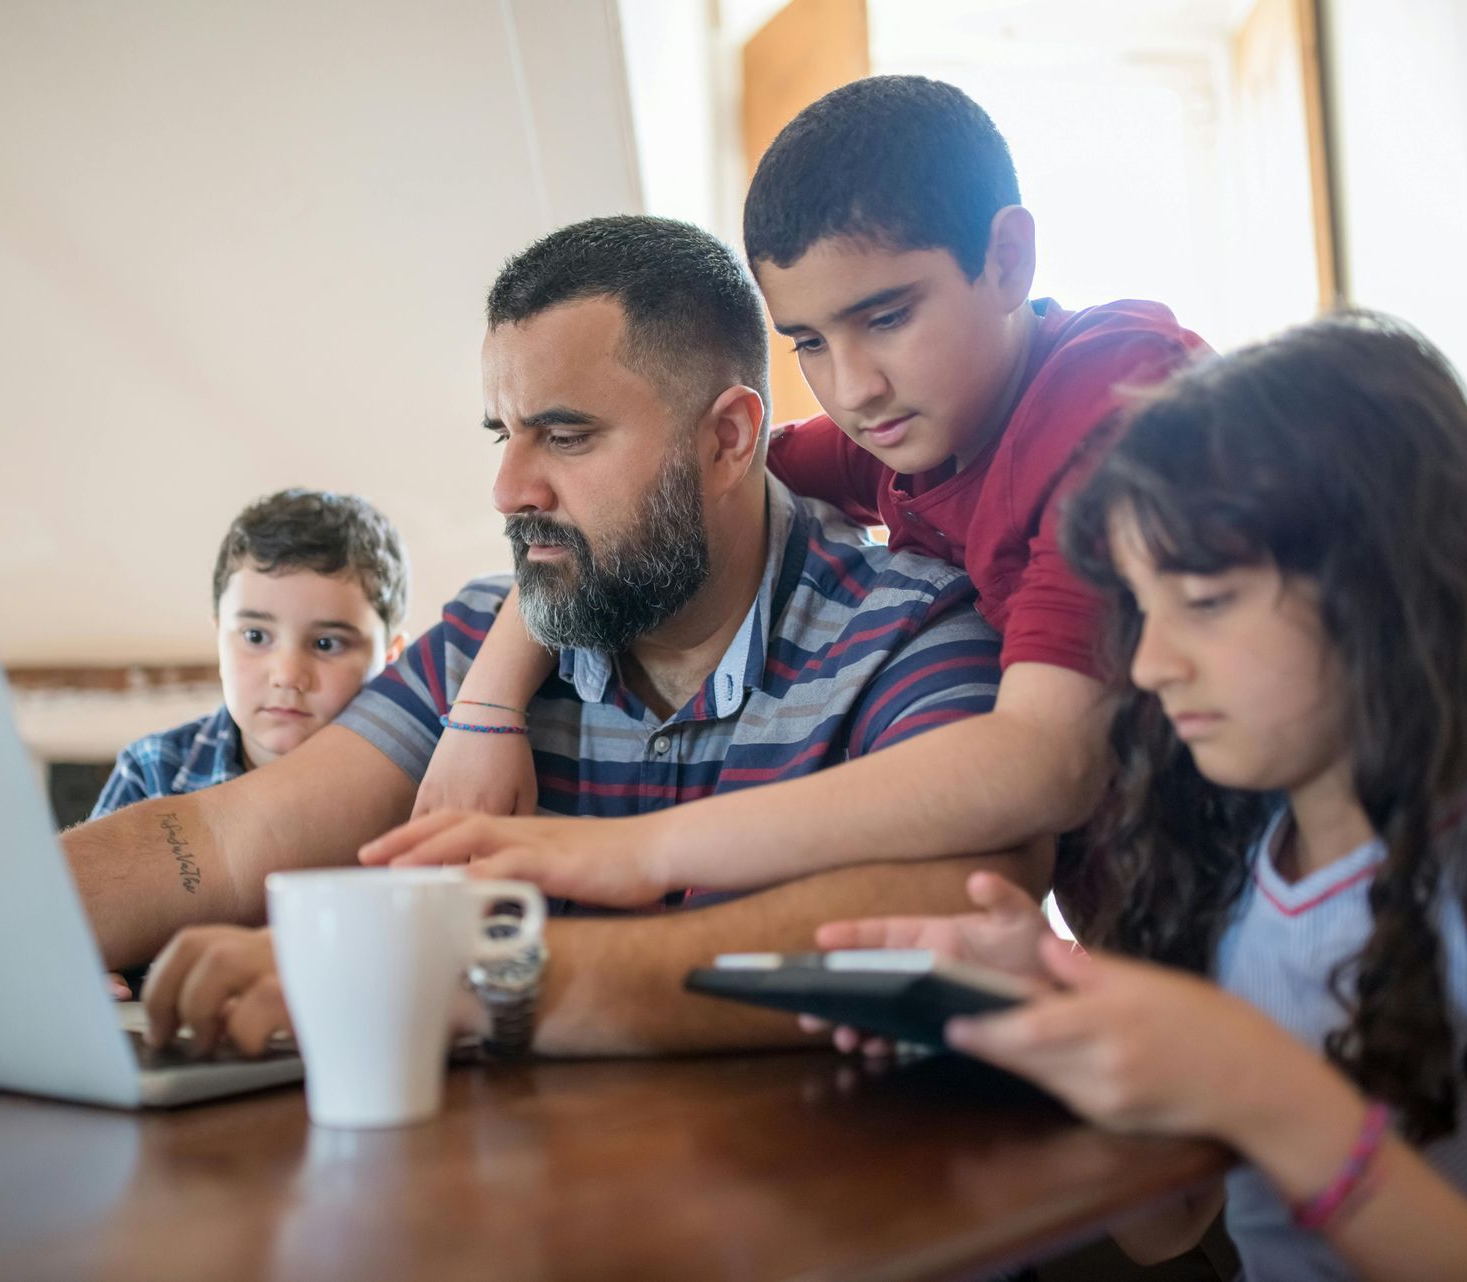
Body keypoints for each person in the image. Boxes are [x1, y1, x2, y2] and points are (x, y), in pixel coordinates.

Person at [0, 215, 1041, 1059]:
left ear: (732, 434)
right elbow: (216, 844)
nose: (508, 489)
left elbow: (919, 918)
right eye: (501, 433)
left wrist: (432, 977)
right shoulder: (504, 633)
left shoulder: (913, 629)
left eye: (564, 434)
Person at [815, 315, 1467, 1279]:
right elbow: (1167, 1228)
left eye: (1204, 605)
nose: (1151, 667)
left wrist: (1261, 1088)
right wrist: (1052, 1023)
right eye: (1141, 613)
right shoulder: (1230, 845)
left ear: (1387, 578)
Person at [371, 75, 1207, 908]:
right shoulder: (902, 436)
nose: (852, 389)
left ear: (1008, 260)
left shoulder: (1118, 397)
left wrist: (643, 851)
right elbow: (651, 488)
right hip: (1143, 934)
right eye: (808, 340)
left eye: (886, 318)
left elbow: (1045, 762)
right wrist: (485, 708)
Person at [90, 488, 409, 818]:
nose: (287, 676)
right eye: (255, 636)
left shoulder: (425, 782)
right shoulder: (151, 775)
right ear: (219, 637)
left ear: (390, 657)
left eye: (326, 644)